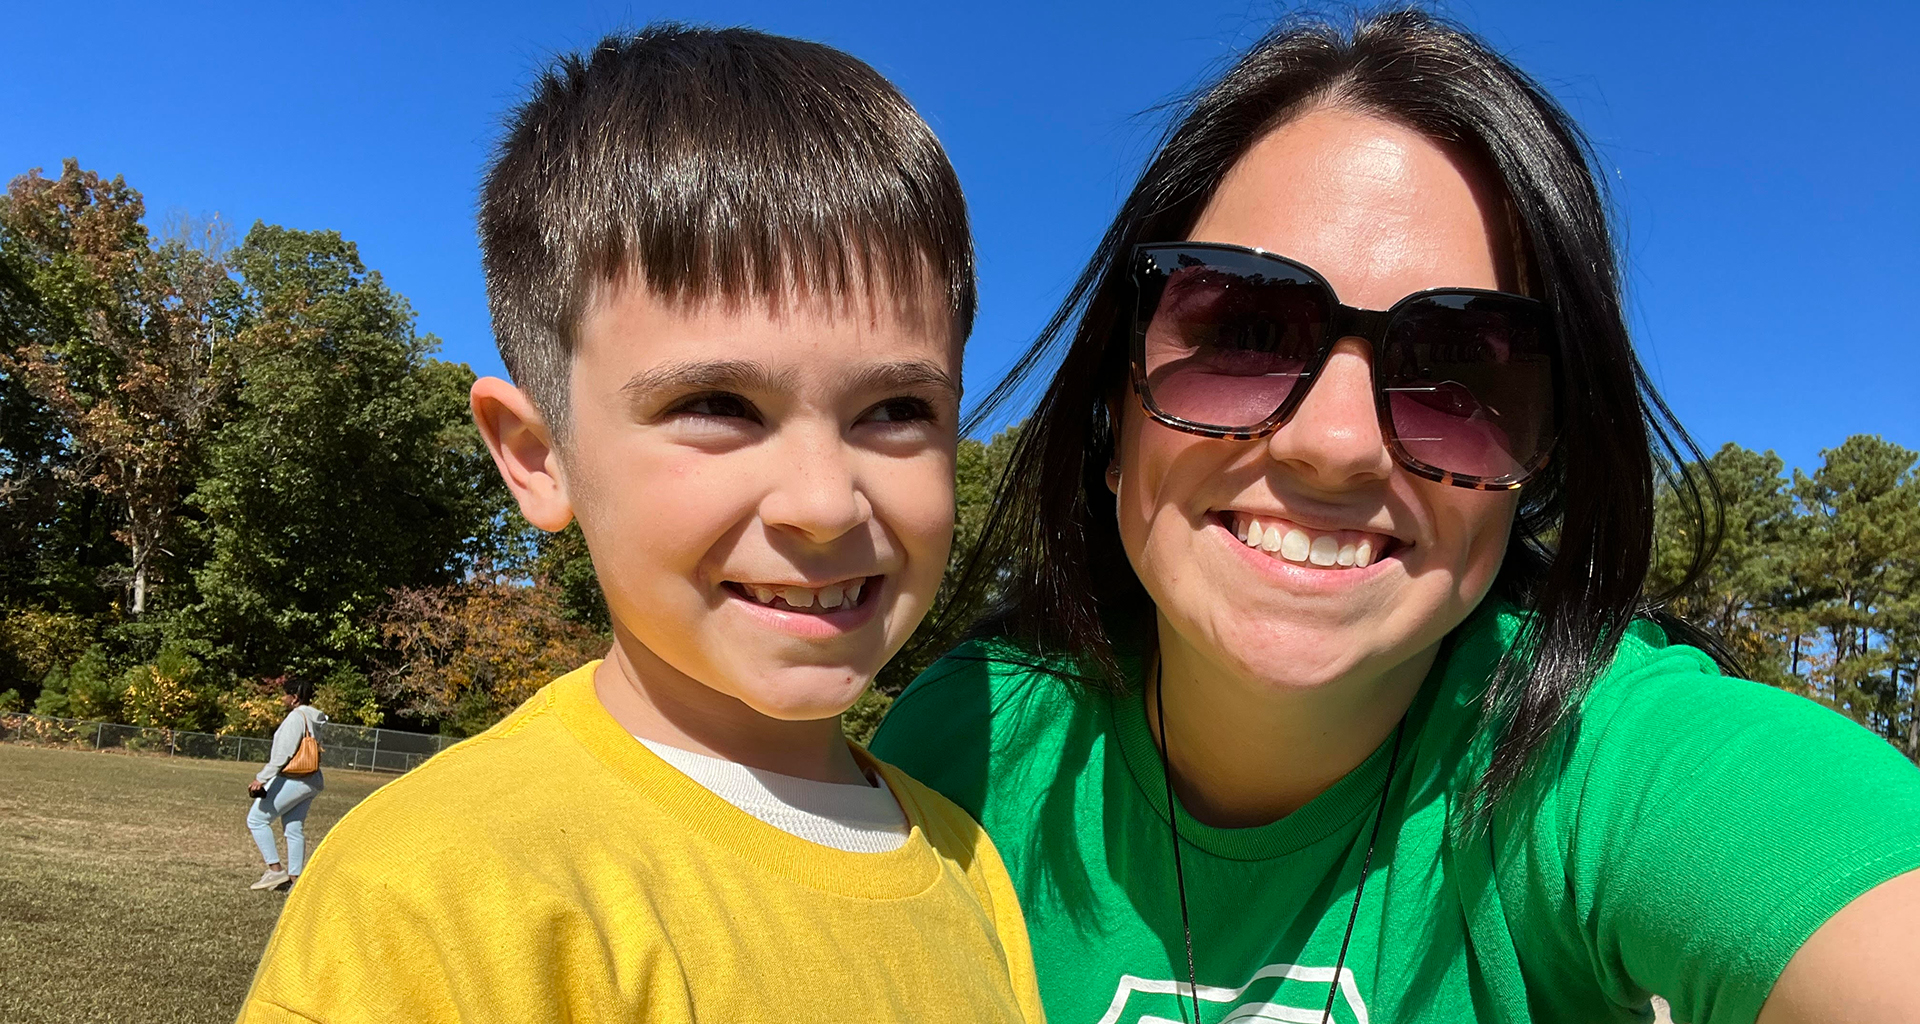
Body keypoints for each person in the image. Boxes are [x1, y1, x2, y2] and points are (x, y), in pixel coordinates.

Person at [871, 10, 1920, 1024]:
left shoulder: (1600, 767)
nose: (1333, 444)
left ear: (1540, 460)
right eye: (1241, 330)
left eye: (1462, 370)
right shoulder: (968, 746)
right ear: (1115, 403)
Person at [237, 25, 1044, 1024]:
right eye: (717, 404)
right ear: (537, 455)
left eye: (896, 411)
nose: (825, 502)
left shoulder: (971, 868)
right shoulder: (438, 895)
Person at [245, 677, 327, 892]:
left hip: (294, 778)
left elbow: (283, 754)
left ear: (295, 698)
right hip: (312, 780)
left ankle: (275, 870)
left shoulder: (295, 718)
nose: (282, 698)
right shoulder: (314, 718)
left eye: (285, 694)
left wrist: (261, 779)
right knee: (293, 827)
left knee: (256, 820)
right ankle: (295, 881)